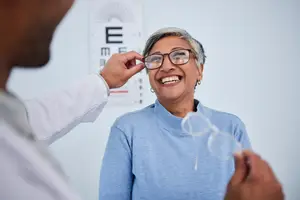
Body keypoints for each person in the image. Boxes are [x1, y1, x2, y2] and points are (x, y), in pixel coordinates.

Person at [0, 0, 144, 200]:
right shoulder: (128, 129)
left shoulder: (10, 118)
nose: (67, 5)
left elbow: (37, 118)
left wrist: (103, 81)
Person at [98, 27, 252, 200]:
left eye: (179, 56)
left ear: (199, 70)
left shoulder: (231, 127)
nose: (166, 66)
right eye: (155, 59)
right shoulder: (127, 130)